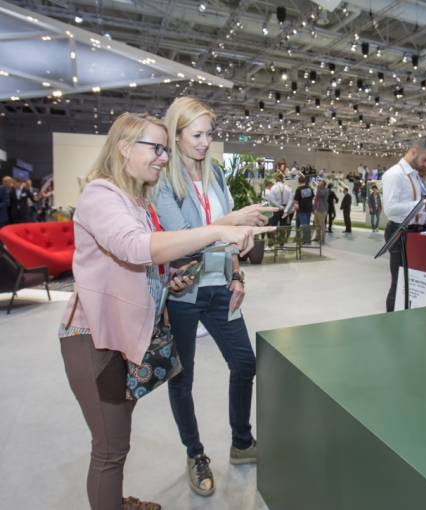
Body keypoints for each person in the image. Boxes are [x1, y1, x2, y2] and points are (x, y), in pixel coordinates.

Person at [59, 111, 273, 510]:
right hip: (95, 337)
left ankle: (114, 501)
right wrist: (220, 228)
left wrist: (167, 276)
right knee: (110, 449)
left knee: (116, 442)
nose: (163, 156)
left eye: (165, 148)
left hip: (125, 334)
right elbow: (135, 247)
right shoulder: (101, 194)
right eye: (156, 148)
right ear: (124, 148)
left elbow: (145, 260)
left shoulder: (135, 198)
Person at [154, 96, 276, 498]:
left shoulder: (217, 175)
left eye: (209, 134)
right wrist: (233, 220)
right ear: (176, 135)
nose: (206, 142)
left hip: (221, 286)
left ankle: (241, 442)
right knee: (182, 378)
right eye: (197, 135)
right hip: (183, 294)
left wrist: (237, 274)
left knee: (245, 364)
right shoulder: (164, 182)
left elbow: (228, 241)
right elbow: (182, 240)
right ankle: (195, 454)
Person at [382, 137, 426, 312]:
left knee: (409, 282)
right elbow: (390, 209)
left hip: (413, 233)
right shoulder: (395, 174)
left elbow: (412, 206)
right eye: (425, 159)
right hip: (399, 232)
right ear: (414, 152)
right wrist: (422, 204)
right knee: (398, 283)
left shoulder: (413, 175)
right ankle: (391, 322)